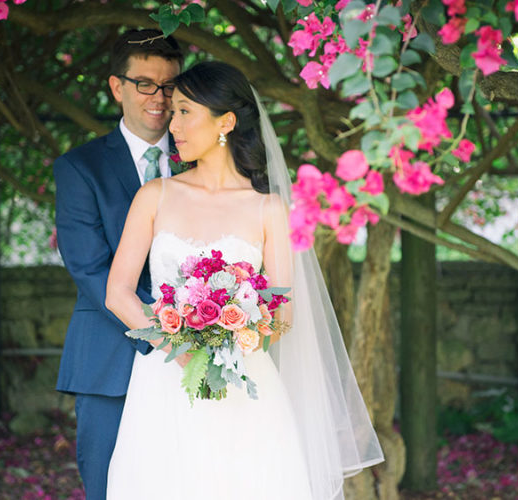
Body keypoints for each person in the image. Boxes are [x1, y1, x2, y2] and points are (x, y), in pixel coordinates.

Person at [105, 61, 384, 500]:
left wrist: (233, 338)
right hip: (163, 385)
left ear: (226, 122)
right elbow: (117, 293)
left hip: (244, 385)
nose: (171, 124)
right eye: (173, 112)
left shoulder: (269, 209)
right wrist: (179, 344)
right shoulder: (155, 196)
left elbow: (284, 313)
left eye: (183, 112)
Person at [52, 29, 183, 500]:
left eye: (169, 85)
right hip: (110, 359)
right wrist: (173, 334)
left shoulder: (202, 161)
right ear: (116, 87)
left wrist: (203, 337)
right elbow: (89, 269)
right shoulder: (79, 168)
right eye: (145, 83)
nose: (159, 98)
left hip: (199, 358)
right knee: (109, 488)